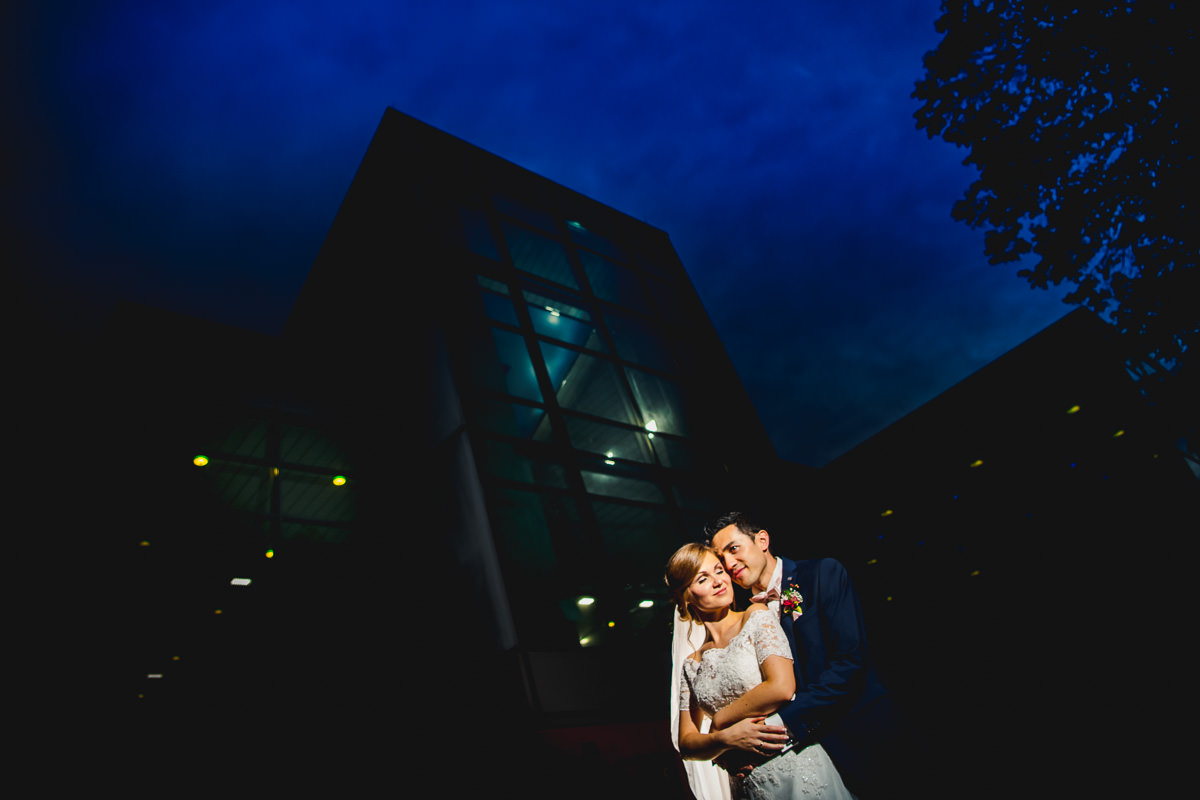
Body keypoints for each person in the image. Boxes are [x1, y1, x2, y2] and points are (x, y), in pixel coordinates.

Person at [706, 511, 906, 798]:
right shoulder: (744, 618)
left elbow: (849, 665)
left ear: (762, 540)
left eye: (733, 549)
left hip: (866, 738)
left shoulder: (822, 574)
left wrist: (775, 729)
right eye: (721, 558)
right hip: (805, 761)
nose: (729, 564)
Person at [667, 542, 857, 800]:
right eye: (703, 578)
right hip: (747, 785)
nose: (718, 581)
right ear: (685, 598)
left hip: (795, 767)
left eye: (719, 571)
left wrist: (721, 721)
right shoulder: (692, 664)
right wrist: (726, 740)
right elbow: (687, 743)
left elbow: (781, 687)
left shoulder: (755, 615)